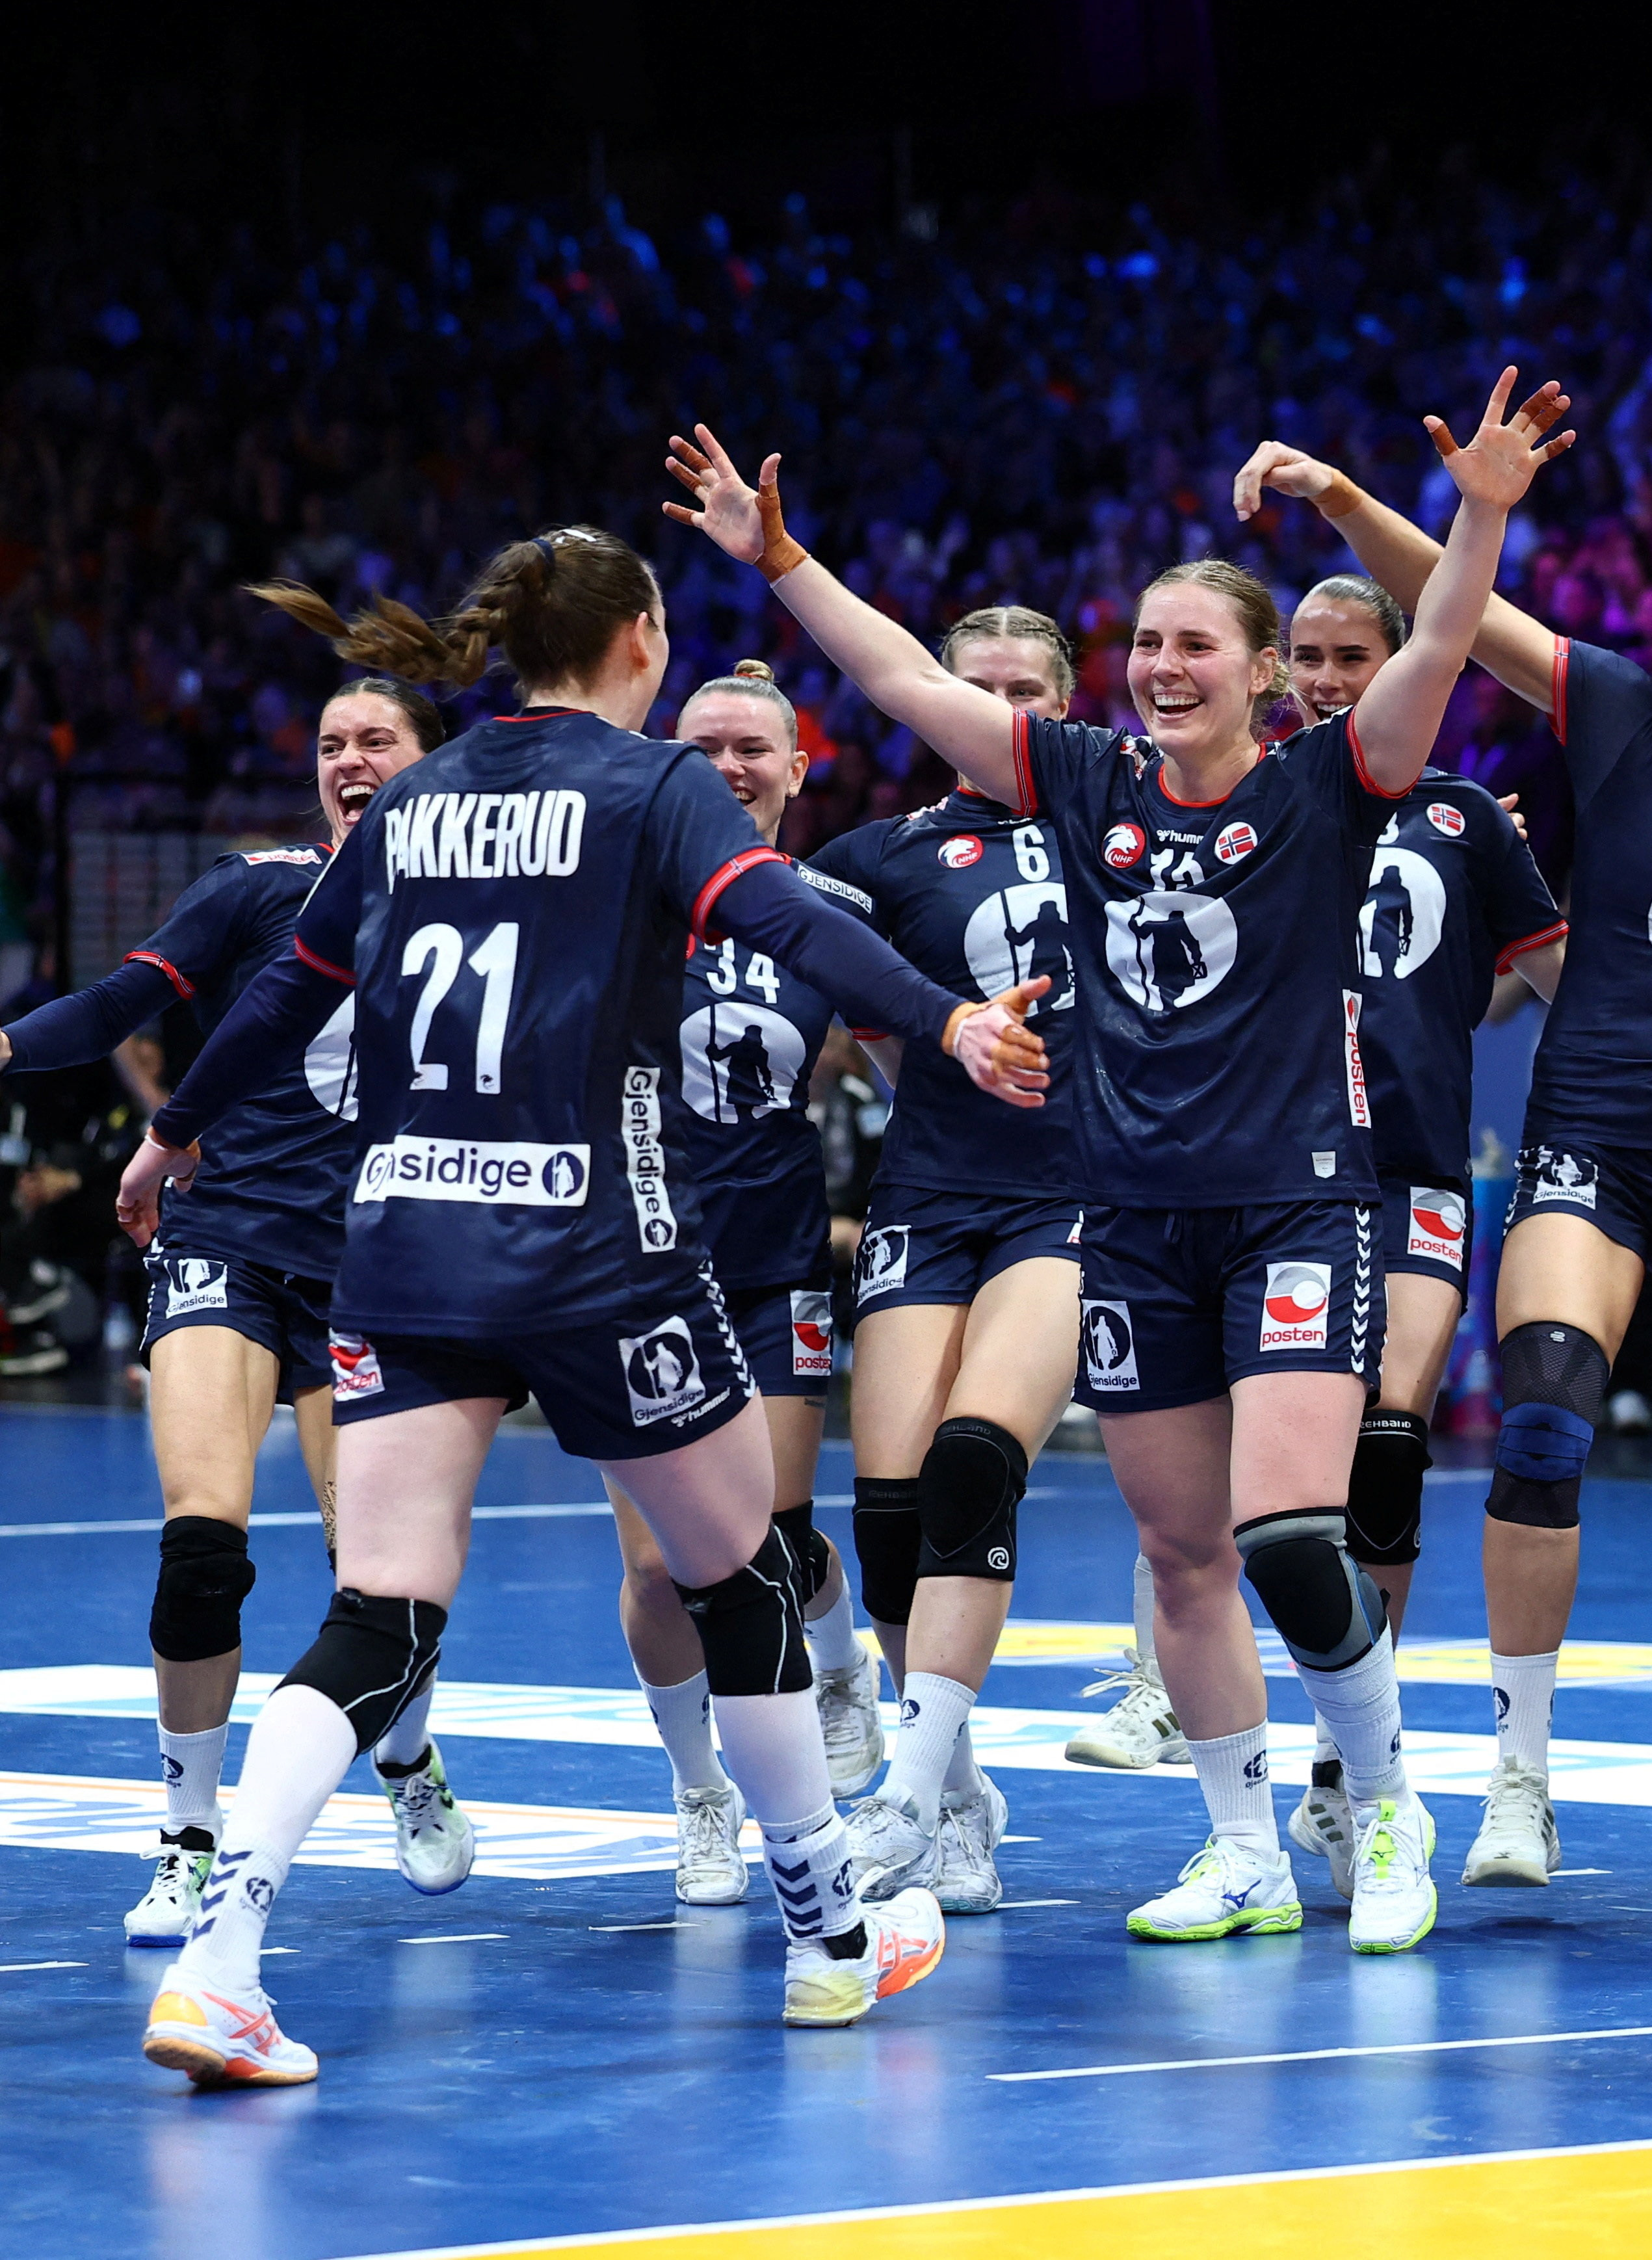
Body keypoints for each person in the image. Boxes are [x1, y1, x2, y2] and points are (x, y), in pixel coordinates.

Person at [124, 527, 1047, 2084]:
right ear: (637, 637)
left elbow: (288, 987)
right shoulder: (650, 785)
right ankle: (828, 1934)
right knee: (740, 1571)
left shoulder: (415, 799)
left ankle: (221, 1961)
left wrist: (172, 1130)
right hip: (593, 1244)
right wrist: (945, 1015)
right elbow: (798, 928)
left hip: (403, 1239)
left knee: (380, 1610)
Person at [672, 371, 1565, 1956]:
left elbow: (1438, 649)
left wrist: (1480, 511)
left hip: (1298, 1198)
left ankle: (1387, 1804)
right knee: (1181, 1546)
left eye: (1193, 645)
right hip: (1132, 1216)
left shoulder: (1327, 784)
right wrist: (779, 561)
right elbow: (893, 678)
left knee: (1294, 1528)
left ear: (1254, 670)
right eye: (1145, 643)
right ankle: (1240, 1846)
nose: (1161, 667)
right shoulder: (1079, 781)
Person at [1231, 426, 1652, 1908]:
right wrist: (1348, 499)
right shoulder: (1618, 720)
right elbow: (1469, 615)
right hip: (1588, 1141)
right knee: (1540, 1422)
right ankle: (1518, 1783)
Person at [0, 677, 457, 1942]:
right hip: (231, 1236)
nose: (351, 759)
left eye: (379, 740)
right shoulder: (257, 885)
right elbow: (120, 1006)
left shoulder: (484, 900)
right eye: (330, 744)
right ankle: (188, 1838)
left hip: (387, 1262)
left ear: (432, 762)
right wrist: (3, 1047)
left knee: (373, 1577)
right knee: (203, 1544)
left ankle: (409, 1762)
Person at [1260, 570, 1566, 1894]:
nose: (1332, 681)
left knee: (1387, 1441)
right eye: (1311, 659)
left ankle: (1347, 1778)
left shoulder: (1460, 820)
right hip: (1265, 1181)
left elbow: (1544, 980)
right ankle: (1293, 1731)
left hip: (1415, 1173)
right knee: (1271, 1488)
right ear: (1278, 671)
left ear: (1409, 667)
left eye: (1355, 657)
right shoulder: (1244, 798)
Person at [799, 607, 1108, 1916]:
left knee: (976, 1461)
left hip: (1079, 1195)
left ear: (1065, 701)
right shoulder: (880, 856)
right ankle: (963, 1792)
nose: (996, 707)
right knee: (887, 1522)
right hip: (932, 1192)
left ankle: (909, 1801)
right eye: (970, 686)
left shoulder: (1126, 816)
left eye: (1024, 688)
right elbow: (857, 1028)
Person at [610, 662, 884, 1906]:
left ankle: (839, 1668)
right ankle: (699, 1794)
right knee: (665, 1562)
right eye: (704, 745)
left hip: (771, 1266)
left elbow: (905, 1052)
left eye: (752, 749)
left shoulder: (829, 906)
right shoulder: (614, 899)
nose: (728, 767)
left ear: (795, 768)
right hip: (629, 1272)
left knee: (766, 1538)